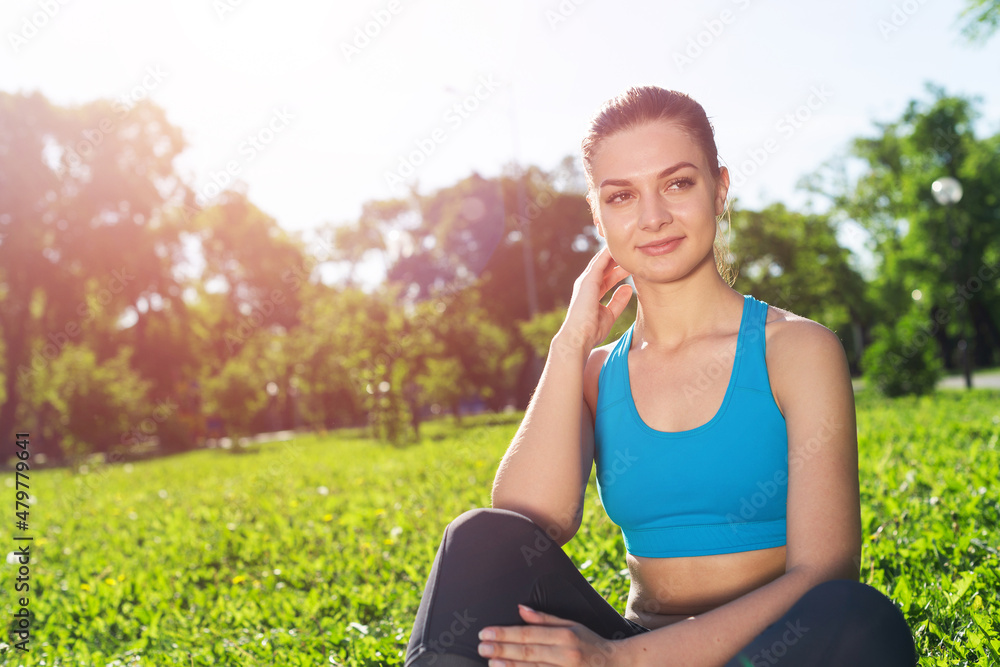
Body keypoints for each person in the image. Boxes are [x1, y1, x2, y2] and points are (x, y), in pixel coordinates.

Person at [404, 86, 916, 666]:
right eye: (621, 196)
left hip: (768, 652)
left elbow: (826, 571)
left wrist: (619, 662)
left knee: (861, 619)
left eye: (677, 183)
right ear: (598, 216)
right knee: (479, 538)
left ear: (719, 189)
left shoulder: (796, 350)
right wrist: (571, 341)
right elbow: (527, 520)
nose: (653, 218)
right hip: (634, 641)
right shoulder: (596, 373)